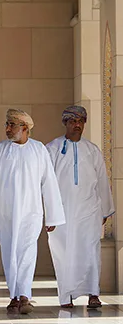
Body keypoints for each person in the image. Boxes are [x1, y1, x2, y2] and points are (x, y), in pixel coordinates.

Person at [0, 108, 65, 314]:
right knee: (9, 253)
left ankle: (24, 295)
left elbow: (49, 182)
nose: (7, 128)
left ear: (24, 128)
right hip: (5, 212)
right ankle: (14, 295)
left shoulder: (38, 149)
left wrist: (53, 215)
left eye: (11, 125)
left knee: (27, 251)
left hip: (31, 212)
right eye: (7, 124)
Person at [46, 105, 115, 308]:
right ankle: (66, 295)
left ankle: (93, 293)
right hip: (62, 211)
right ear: (65, 123)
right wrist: (50, 213)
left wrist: (105, 210)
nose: (77, 125)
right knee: (63, 251)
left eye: (81, 121)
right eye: (73, 121)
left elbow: (102, 180)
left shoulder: (92, 149)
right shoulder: (52, 148)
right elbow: (46, 183)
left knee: (90, 249)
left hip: (89, 210)